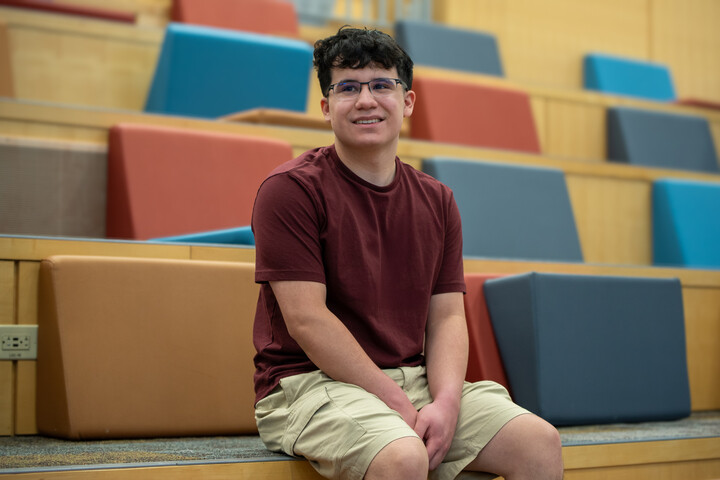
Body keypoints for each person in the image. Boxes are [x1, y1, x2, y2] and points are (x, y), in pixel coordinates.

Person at [251, 26, 564, 480]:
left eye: (382, 85)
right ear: (326, 107)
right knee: (403, 457)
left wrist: (446, 405)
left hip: (410, 378)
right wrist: (397, 403)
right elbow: (306, 319)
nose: (366, 100)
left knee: (539, 443)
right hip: (306, 384)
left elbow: (448, 317)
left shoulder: (438, 199)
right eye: (348, 88)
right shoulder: (290, 190)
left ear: (408, 102)